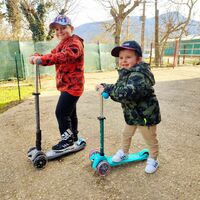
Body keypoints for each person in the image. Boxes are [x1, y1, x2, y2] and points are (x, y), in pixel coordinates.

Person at [96, 40, 161, 173]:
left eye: (128, 57)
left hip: (145, 116)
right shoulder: (126, 73)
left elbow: (127, 93)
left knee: (150, 138)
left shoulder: (140, 75)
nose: (123, 60)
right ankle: (124, 152)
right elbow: (119, 87)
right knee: (126, 134)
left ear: (138, 59)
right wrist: (105, 86)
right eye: (121, 57)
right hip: (132, 114)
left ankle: (154, 159)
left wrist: (108, 92)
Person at [29, 14, 84, 152]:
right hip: (66, 85)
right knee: (70, 113)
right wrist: (38, 57)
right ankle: (74, 136)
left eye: (63, 28)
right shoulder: (62, 43)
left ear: (71, 28)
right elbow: (53, 54)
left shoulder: (75, 43)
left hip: (73, 86)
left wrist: (42, 60)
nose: (60, 32)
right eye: (57, 29)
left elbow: (63, 56)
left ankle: (67, 141)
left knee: (61, 113)